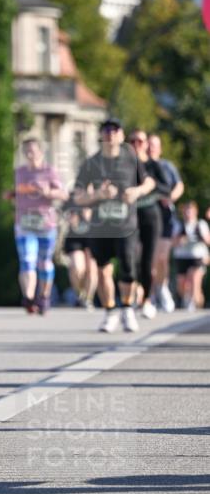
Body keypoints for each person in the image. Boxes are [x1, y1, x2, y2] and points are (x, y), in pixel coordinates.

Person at [73, 117, 155, 334]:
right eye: (106, 130)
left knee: (128, 269)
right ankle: (110, 312)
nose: (110, 134)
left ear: (121, 135)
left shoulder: (131, 160)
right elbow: (78, 196)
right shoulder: (91, 163)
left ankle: (127, 309)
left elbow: (149, 182)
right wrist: (98, 194)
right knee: (103, 270)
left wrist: (136, 192)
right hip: (100, 226)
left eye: (115, 130)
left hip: (126, 225)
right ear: (101, 135)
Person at [4, 138, 67, 315]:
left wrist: (48, 192)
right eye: (27, 151)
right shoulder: (20, 172)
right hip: (24, 223)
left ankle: (44, 296)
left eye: (33, 151)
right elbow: (19, 191)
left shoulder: (49, 171)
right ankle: (29, 298)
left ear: (41, 152)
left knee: (44, 262)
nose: (30, 155)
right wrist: (11, 194)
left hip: (45, 224)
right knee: (27, 261)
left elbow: (63, 194)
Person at [128, 129, 176, 320]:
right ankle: (131, 295)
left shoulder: (154, 166)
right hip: (129, 217)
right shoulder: (124, 166)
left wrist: (150, 185)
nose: (137, 144)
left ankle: (147, 299)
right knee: (130, 258)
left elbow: (167, 187)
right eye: (133, 141)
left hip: (150, 215)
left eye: (140, 141)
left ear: (146, 144)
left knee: (148, 260)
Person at [148, 134, 184, 313]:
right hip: (146, 217)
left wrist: (171, 197)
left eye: (154, 145)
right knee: (147, 257)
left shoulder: (167, 166)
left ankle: (162, 287)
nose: (151, 148)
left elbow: (179, 185)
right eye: (149, 145)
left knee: (162, 257)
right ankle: (149, 293)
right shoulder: (141, 167)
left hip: (165, 217)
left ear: (160, 148)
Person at [172, 201, 210, 310]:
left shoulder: (201, 224)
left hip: (197, 256)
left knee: (195, 281)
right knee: (181, 285)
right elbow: (172, 243)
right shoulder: (178, 225)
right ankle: (188, 300)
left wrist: (202, 237)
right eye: (186, 209)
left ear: (195, 211)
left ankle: (196, 307)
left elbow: (208, 241)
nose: (188, 212)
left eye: (190, 209)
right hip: (182, 257)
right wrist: (180, 240)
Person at [61, 200, 97, 309]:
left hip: (93, 236)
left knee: (91, 269)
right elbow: (61, 212)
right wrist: (68, 219)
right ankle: (80, 294)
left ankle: (88, 299)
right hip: (75, 238)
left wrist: (91, 217)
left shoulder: (99, 191)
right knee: (77, 268)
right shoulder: (73, 195)